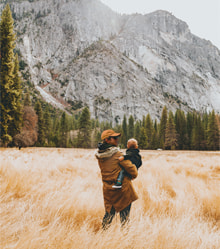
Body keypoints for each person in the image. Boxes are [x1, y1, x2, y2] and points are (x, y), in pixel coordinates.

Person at [95, 129, 138, 229]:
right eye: (114, 138)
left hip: (108, 190)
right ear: (107, 140)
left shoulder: (100, 155)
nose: (117, 139)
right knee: (125, 219)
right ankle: (125, 241)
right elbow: (133, 172)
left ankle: (103, 238)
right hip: (122, 191)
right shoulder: (118, 155)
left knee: (108, 216)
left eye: (117, 137)